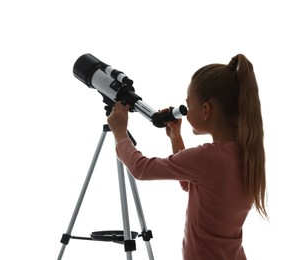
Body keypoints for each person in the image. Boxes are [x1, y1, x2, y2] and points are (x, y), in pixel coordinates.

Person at [107, 53, 267, 260]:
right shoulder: (246, 153)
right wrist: (176, 137)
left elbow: (141, 168)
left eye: (188, 105)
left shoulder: (206, 157)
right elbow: (191, 184)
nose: (185, 110)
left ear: (206, 110)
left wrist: (120, 134)